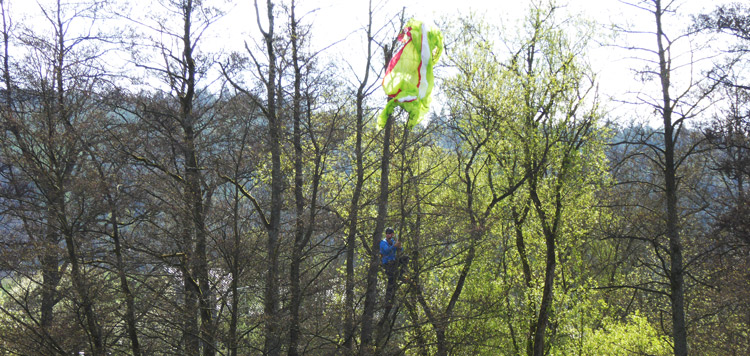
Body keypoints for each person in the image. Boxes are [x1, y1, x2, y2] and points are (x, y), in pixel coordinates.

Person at [380, 227, 408, 305]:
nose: (390, 236)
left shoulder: (392, 241)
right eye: (388, 234)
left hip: (394, 261)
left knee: (405, 258)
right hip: (387, 263)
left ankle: (401, 275)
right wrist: (394, 246)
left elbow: (400, 250)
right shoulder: (383, 242)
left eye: (391, 234)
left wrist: (400, 247)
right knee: (391, 280)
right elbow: (386, 251)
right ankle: (388, 300)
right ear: (386, 234)